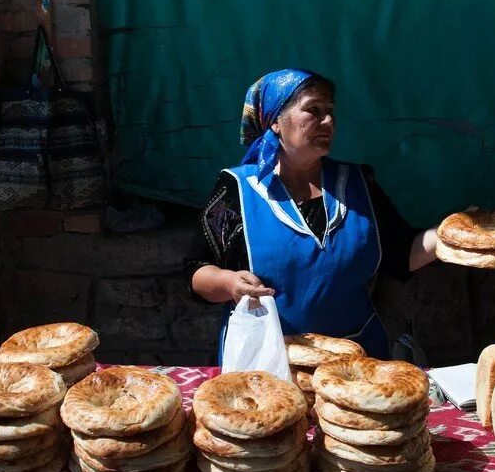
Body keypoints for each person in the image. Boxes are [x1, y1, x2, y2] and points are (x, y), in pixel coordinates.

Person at [183, 68, 440, 360]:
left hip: (358, 358)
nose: (328, 120)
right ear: (276, 122)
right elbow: (196, 271)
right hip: (269, 360)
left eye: (330, 111)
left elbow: (401, 254)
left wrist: (446, 239)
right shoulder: (239, 190)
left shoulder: (358, 184)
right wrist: (229, 283)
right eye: (313, 110)